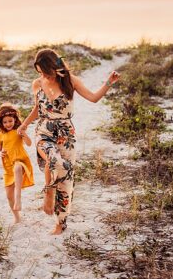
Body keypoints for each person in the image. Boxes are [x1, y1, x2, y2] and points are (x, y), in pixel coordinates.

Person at [17, 48, 119, 235]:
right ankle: (48, 193)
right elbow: (37, 109)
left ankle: (60, 224)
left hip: (66, 134)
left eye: (45, 71)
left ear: (54, 67)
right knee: (53, 158)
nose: (43, 75)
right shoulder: (37, 84)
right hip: (44, 130)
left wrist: (108, 83)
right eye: (39, 72)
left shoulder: (71, 81)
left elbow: (94, 98)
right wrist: (23, 125)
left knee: (66, 177)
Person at [0, 103, 34, 224]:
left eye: (10, 121)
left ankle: (19, 198)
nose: (8, 124)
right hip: (7, 166)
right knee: (8, 196)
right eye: (5, 122)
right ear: (1, 123)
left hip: (21, 161)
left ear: (15, 119)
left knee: (17, 168)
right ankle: (17, 217)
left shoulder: (18, 130)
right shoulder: (1, 134)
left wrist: (24, 134)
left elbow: (29, 143)